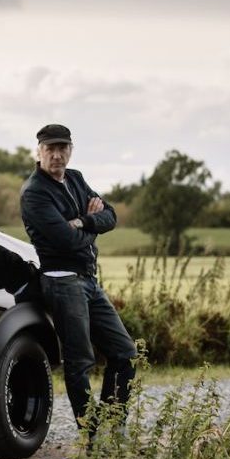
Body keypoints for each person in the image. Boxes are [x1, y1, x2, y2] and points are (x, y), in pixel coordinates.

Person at [19, 123, 137, 436]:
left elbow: (109, 216)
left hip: (88, 280)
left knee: (124, 353)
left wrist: (84, 221)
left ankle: (114, 430)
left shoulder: (76, 178)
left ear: (70, 149)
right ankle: (92, 436)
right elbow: (64, 241)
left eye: (62, 148)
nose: (57, 155)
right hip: (62, 281)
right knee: (79, 361)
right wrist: (90, 230)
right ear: (39, 151)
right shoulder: (34, 194)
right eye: (50, 149)